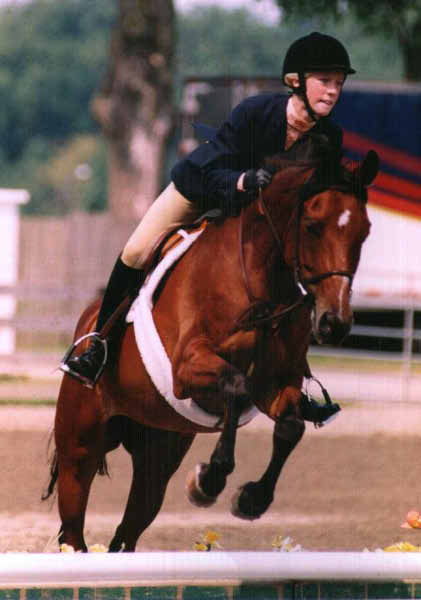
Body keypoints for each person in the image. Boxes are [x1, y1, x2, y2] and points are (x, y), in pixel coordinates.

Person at [60, 31, 356, 388]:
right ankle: (96, 348)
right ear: (296, 81)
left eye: (338, 83)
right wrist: (243, 182)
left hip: (253, 219)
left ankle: (297, 380)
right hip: (200, 190)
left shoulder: (329, 138)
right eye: (324, 81)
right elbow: (209, 169)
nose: (332, 91)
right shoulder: (256, 113)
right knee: (137, 250)